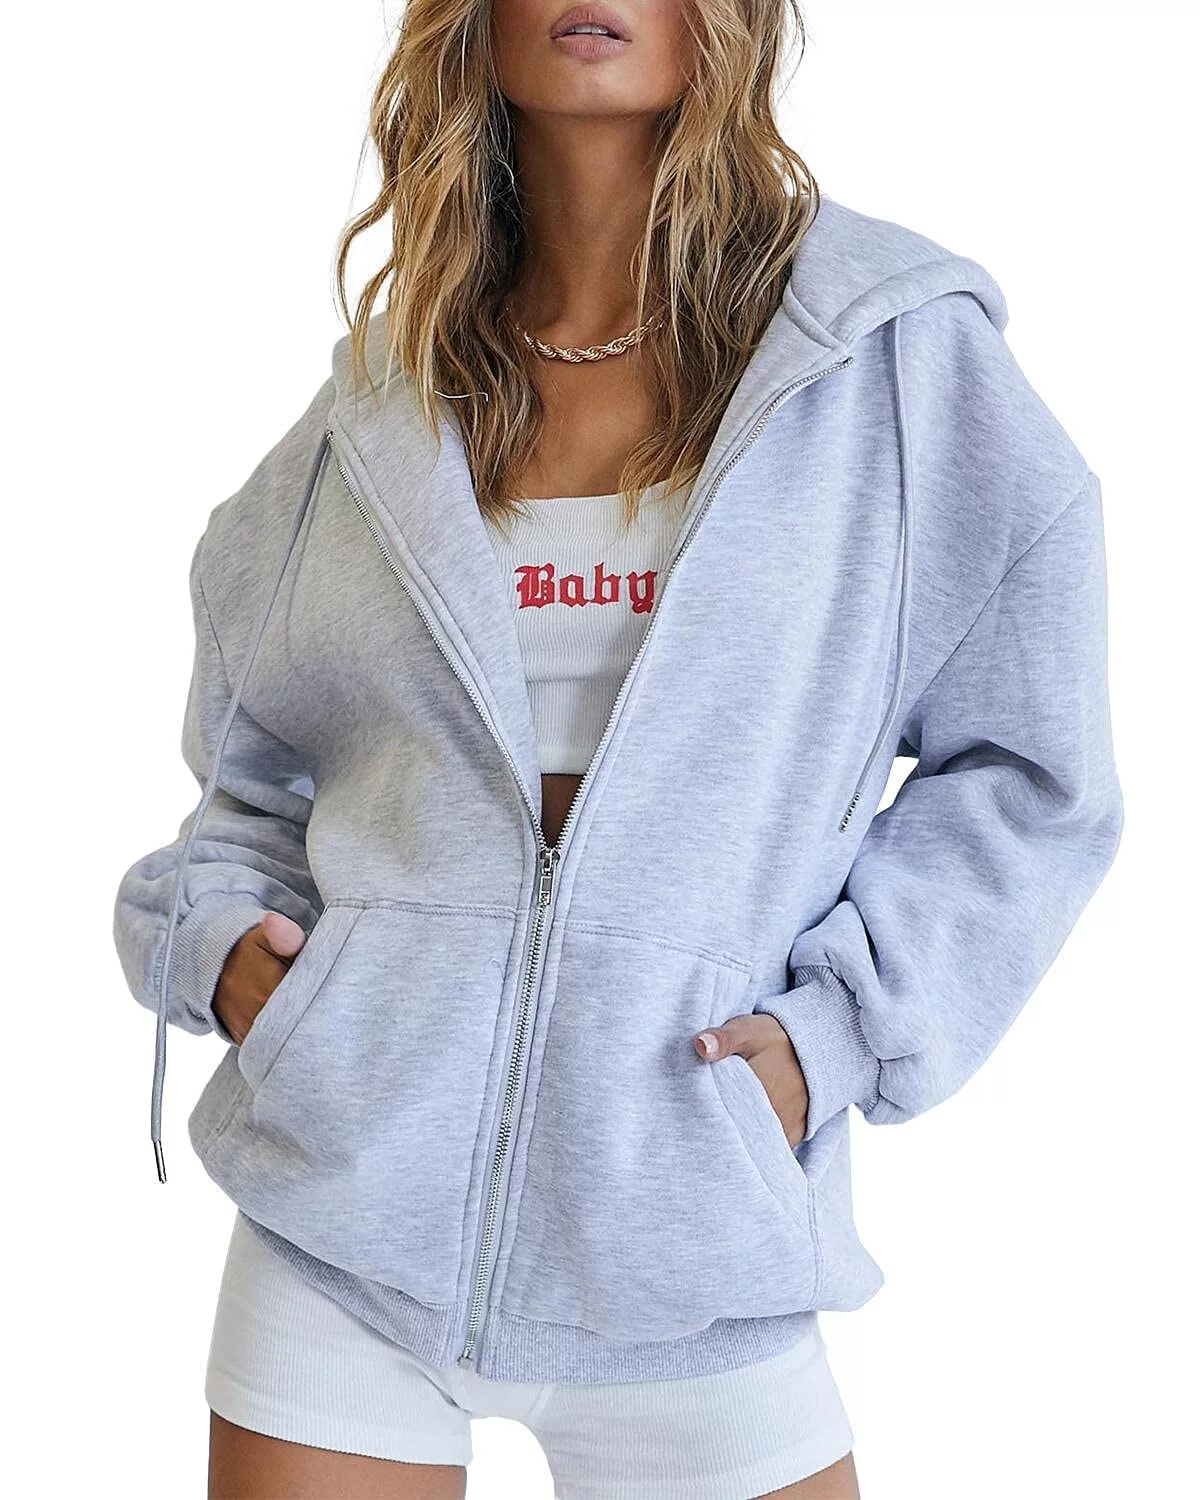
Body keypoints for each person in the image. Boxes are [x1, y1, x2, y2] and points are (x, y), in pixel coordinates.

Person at [111, 2, 1124, 1496]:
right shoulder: (389, 398)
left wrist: (834, 1039)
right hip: (349, 1225)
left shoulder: (885, 361)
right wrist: (225, 955)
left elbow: (1030, 771)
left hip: (692, 1218)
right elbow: (251, 772)